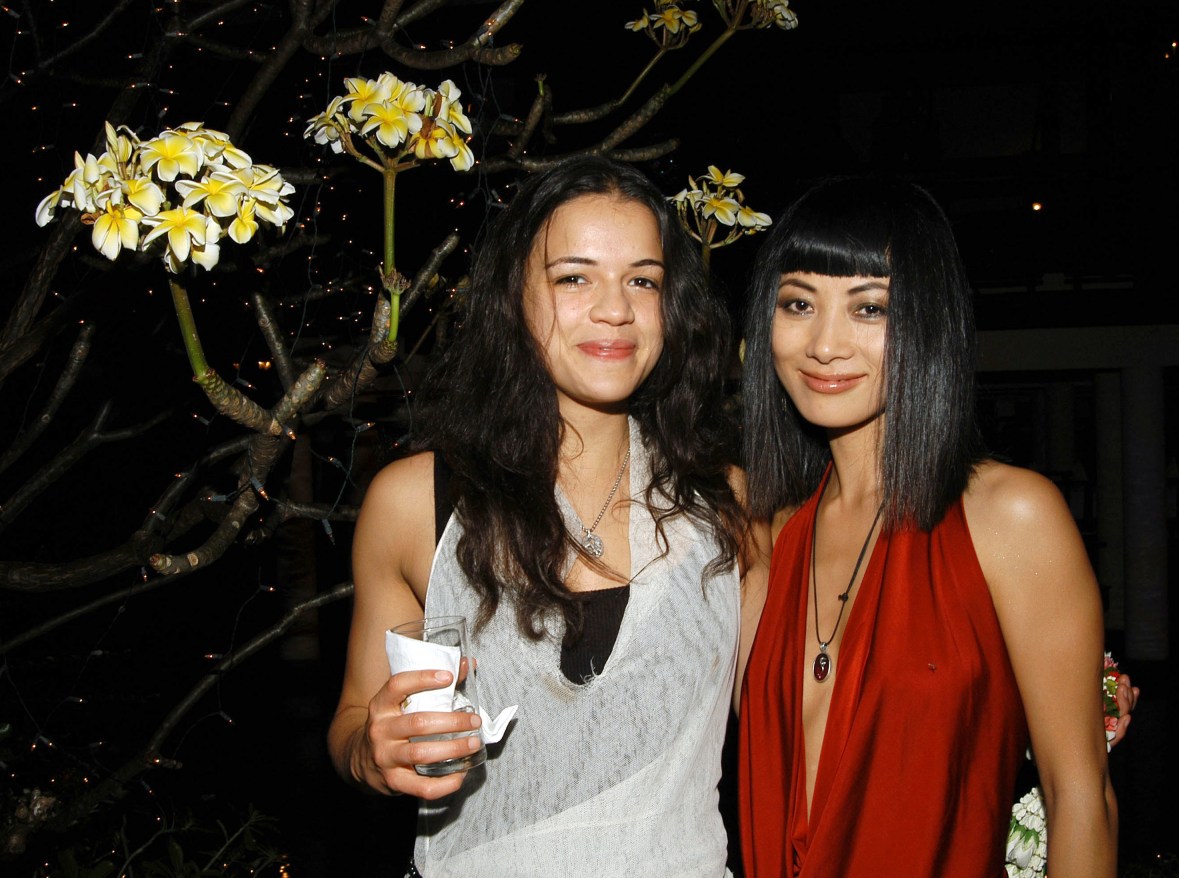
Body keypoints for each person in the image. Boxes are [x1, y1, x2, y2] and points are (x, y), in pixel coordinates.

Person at [328, 154, 750, 877]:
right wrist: (372, 751)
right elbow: (354, 722)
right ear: (512, 299)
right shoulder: (414, 503)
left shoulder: (728, 502)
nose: (614, 309)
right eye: (573, 277)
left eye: (642, 280)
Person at [736, 177, 1119, 877]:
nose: (825, 344)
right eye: (798, 303)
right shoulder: (768, 532)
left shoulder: (1010, 517)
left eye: (870, 308)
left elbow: (1079, 797)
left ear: (928, 323)